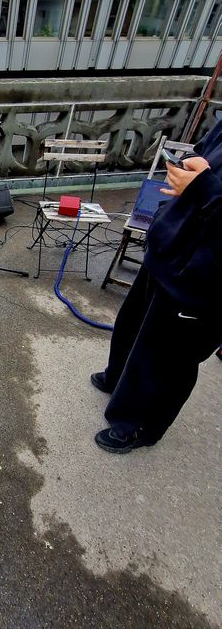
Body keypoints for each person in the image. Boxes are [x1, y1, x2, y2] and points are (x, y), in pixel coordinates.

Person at [92, 117, 222, 453]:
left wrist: (205, 188)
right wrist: (190, 170)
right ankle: (117, 378)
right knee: (134, 326)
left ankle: (139, 426)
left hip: (206, 274)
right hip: (171, 244)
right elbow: (201, 155)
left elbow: (208, 188)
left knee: (171, 357)